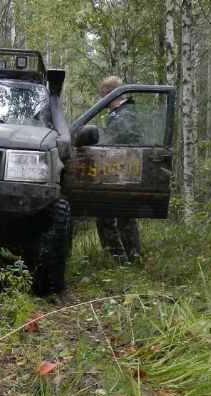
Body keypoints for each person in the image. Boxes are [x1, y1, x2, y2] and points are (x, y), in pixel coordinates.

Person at [94, 75, 143, 264]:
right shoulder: (124, 113)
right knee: (121, 216)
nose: (101, 98)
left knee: (112, 216)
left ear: (109, 94)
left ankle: (121, 259)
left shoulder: (124, 116)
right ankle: (130, 259)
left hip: (123, 171)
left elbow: (114, 142)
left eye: (102, 94)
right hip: (122, 170)